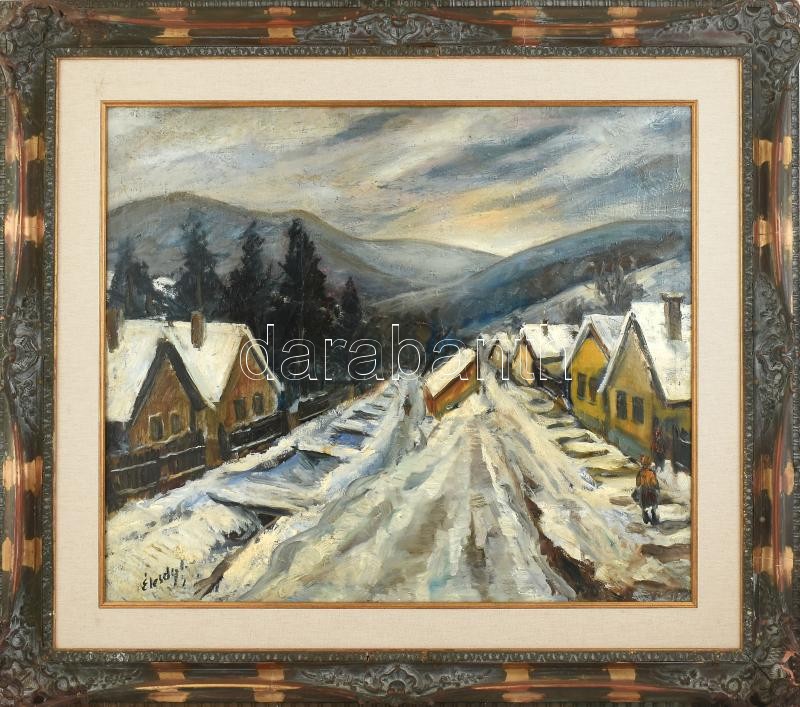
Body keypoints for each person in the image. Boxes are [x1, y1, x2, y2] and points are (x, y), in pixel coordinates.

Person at [635, 458, 660, 525]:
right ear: (649, 465)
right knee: (653, 504)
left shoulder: (640, 472)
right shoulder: (651, 473)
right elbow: (654, 483)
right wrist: (656, 487)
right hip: (651, 490)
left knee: (644, 505)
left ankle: (646, 517)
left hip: (643, 490)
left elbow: (638, 483)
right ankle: (653, 517)